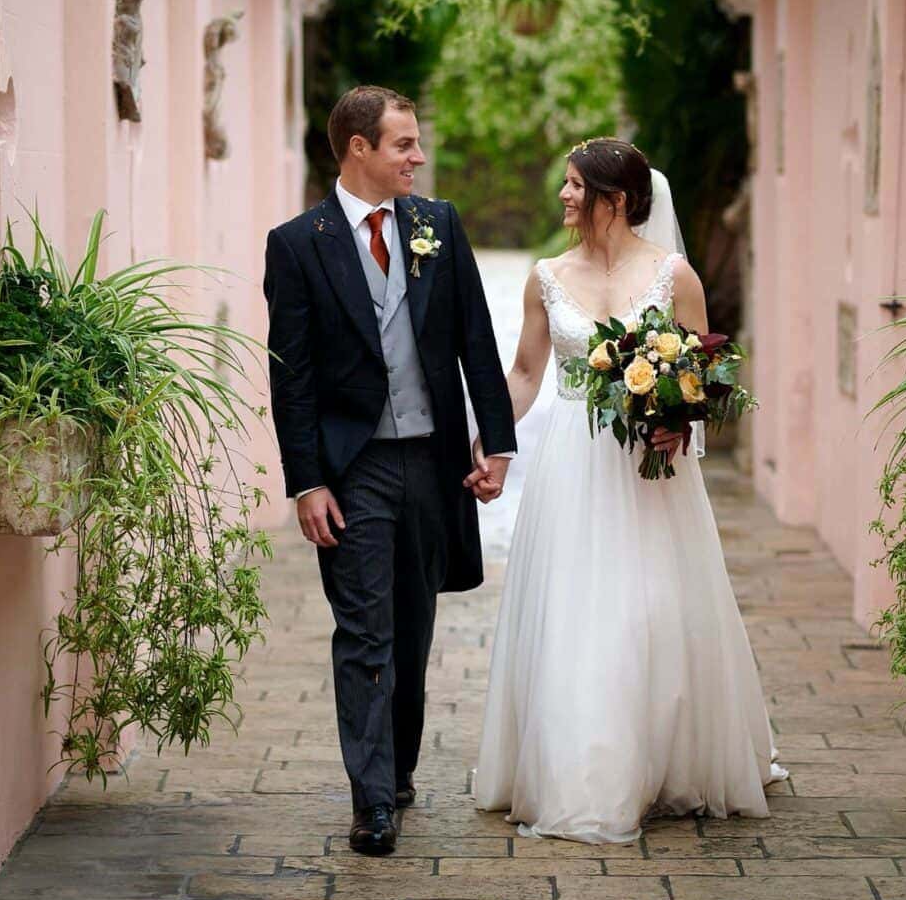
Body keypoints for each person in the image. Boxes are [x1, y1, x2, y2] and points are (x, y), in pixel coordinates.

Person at [472, 137, 786, 843]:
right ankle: (583, 767)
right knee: (579, 611)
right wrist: (491, 440)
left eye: (577, 185)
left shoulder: (674, 276)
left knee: (651, 606)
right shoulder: (546, 276)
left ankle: (666, 756)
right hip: (572, 469)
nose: (564, 196)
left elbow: (705, 371)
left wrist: (680, 421)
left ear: (617, 198)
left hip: (650, 473)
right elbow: (524, 372)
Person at [262, 84, 516, 858]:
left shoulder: (438, 224)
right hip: (356, 464)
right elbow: (292, 374)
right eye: (404, 143)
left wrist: (496, 443)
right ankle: (372, 801)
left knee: (411, 628)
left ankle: (396, 769)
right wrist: (306, 481)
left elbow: (474, 334)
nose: (419, 155)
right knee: (365, 630)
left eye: (417, 142)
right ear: (359, 148)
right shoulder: (298, 243)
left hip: (433, 459)